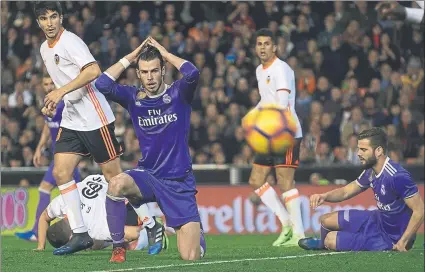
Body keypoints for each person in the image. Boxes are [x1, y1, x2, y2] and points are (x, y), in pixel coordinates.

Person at [94, 36, 206, 263]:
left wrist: (165, 53)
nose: (150, 77)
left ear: (163, 70)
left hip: (178, 182)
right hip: (148, 175)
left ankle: (196, 235)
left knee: (190, 257)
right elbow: (102, 83)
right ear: (138, 74)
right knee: (116, 184)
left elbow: (193, 73)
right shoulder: (133, 97)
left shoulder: (178, 94)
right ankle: (118, 248)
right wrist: (131, 57)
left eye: (155, 70)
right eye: (144, 72)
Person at [34, 1, 123, 255]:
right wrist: (53, 102)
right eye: (44, 18)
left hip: (95, 118)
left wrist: (60, 92)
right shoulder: (44, 49)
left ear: (61, 18)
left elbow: (94, 70)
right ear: (39, 23)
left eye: (53, 17)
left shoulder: (70, 41)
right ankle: (81, 234)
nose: (49, 23)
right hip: (72, 119)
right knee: (61, 172)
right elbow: (63, 82)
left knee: (114, 179)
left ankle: (149, 222)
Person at [299, 127, 424, 252]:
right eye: (359, 149)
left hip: (390, 238)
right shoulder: (370, 171)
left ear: (378, 150)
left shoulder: (397, 176)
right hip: (377, 220)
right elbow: (346, 191)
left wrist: (403, 241)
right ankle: (321, 244)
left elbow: (420, 210)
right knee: (325, 220)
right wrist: (324, 196)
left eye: (364, 149)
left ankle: (324, 243)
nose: (358, 153)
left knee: (330, 239)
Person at [246, 28, 304, 247]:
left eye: (267, 44)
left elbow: (281, 104)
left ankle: (299, 234)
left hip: (286, 132)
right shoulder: (260, 71)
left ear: (275, 47)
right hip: (269, 133)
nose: (262, 48)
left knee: (285, 181)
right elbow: (265, 100)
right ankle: (287, 223)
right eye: (259, 44)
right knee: (256, 180)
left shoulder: (281, 69)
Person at [15, 75, 80, 242]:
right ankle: (76, 231)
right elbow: (47, 125)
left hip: (66, 155)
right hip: (57, 155)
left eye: (52, 82)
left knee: (56, 190)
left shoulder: (65, 103)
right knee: (73, 193)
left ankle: (39, 232)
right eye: (46, 84)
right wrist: (39, 147)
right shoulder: (49, 102)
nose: (49, 86)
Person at [33, 174, 167, 252]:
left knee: (98, 243)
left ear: (70, 240)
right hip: (115, 178)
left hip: (128, 201)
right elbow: (44, 218)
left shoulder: (94, 227)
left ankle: (153, 226)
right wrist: (40, 246)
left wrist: (140, 232)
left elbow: (131, 233)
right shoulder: (62, 202)